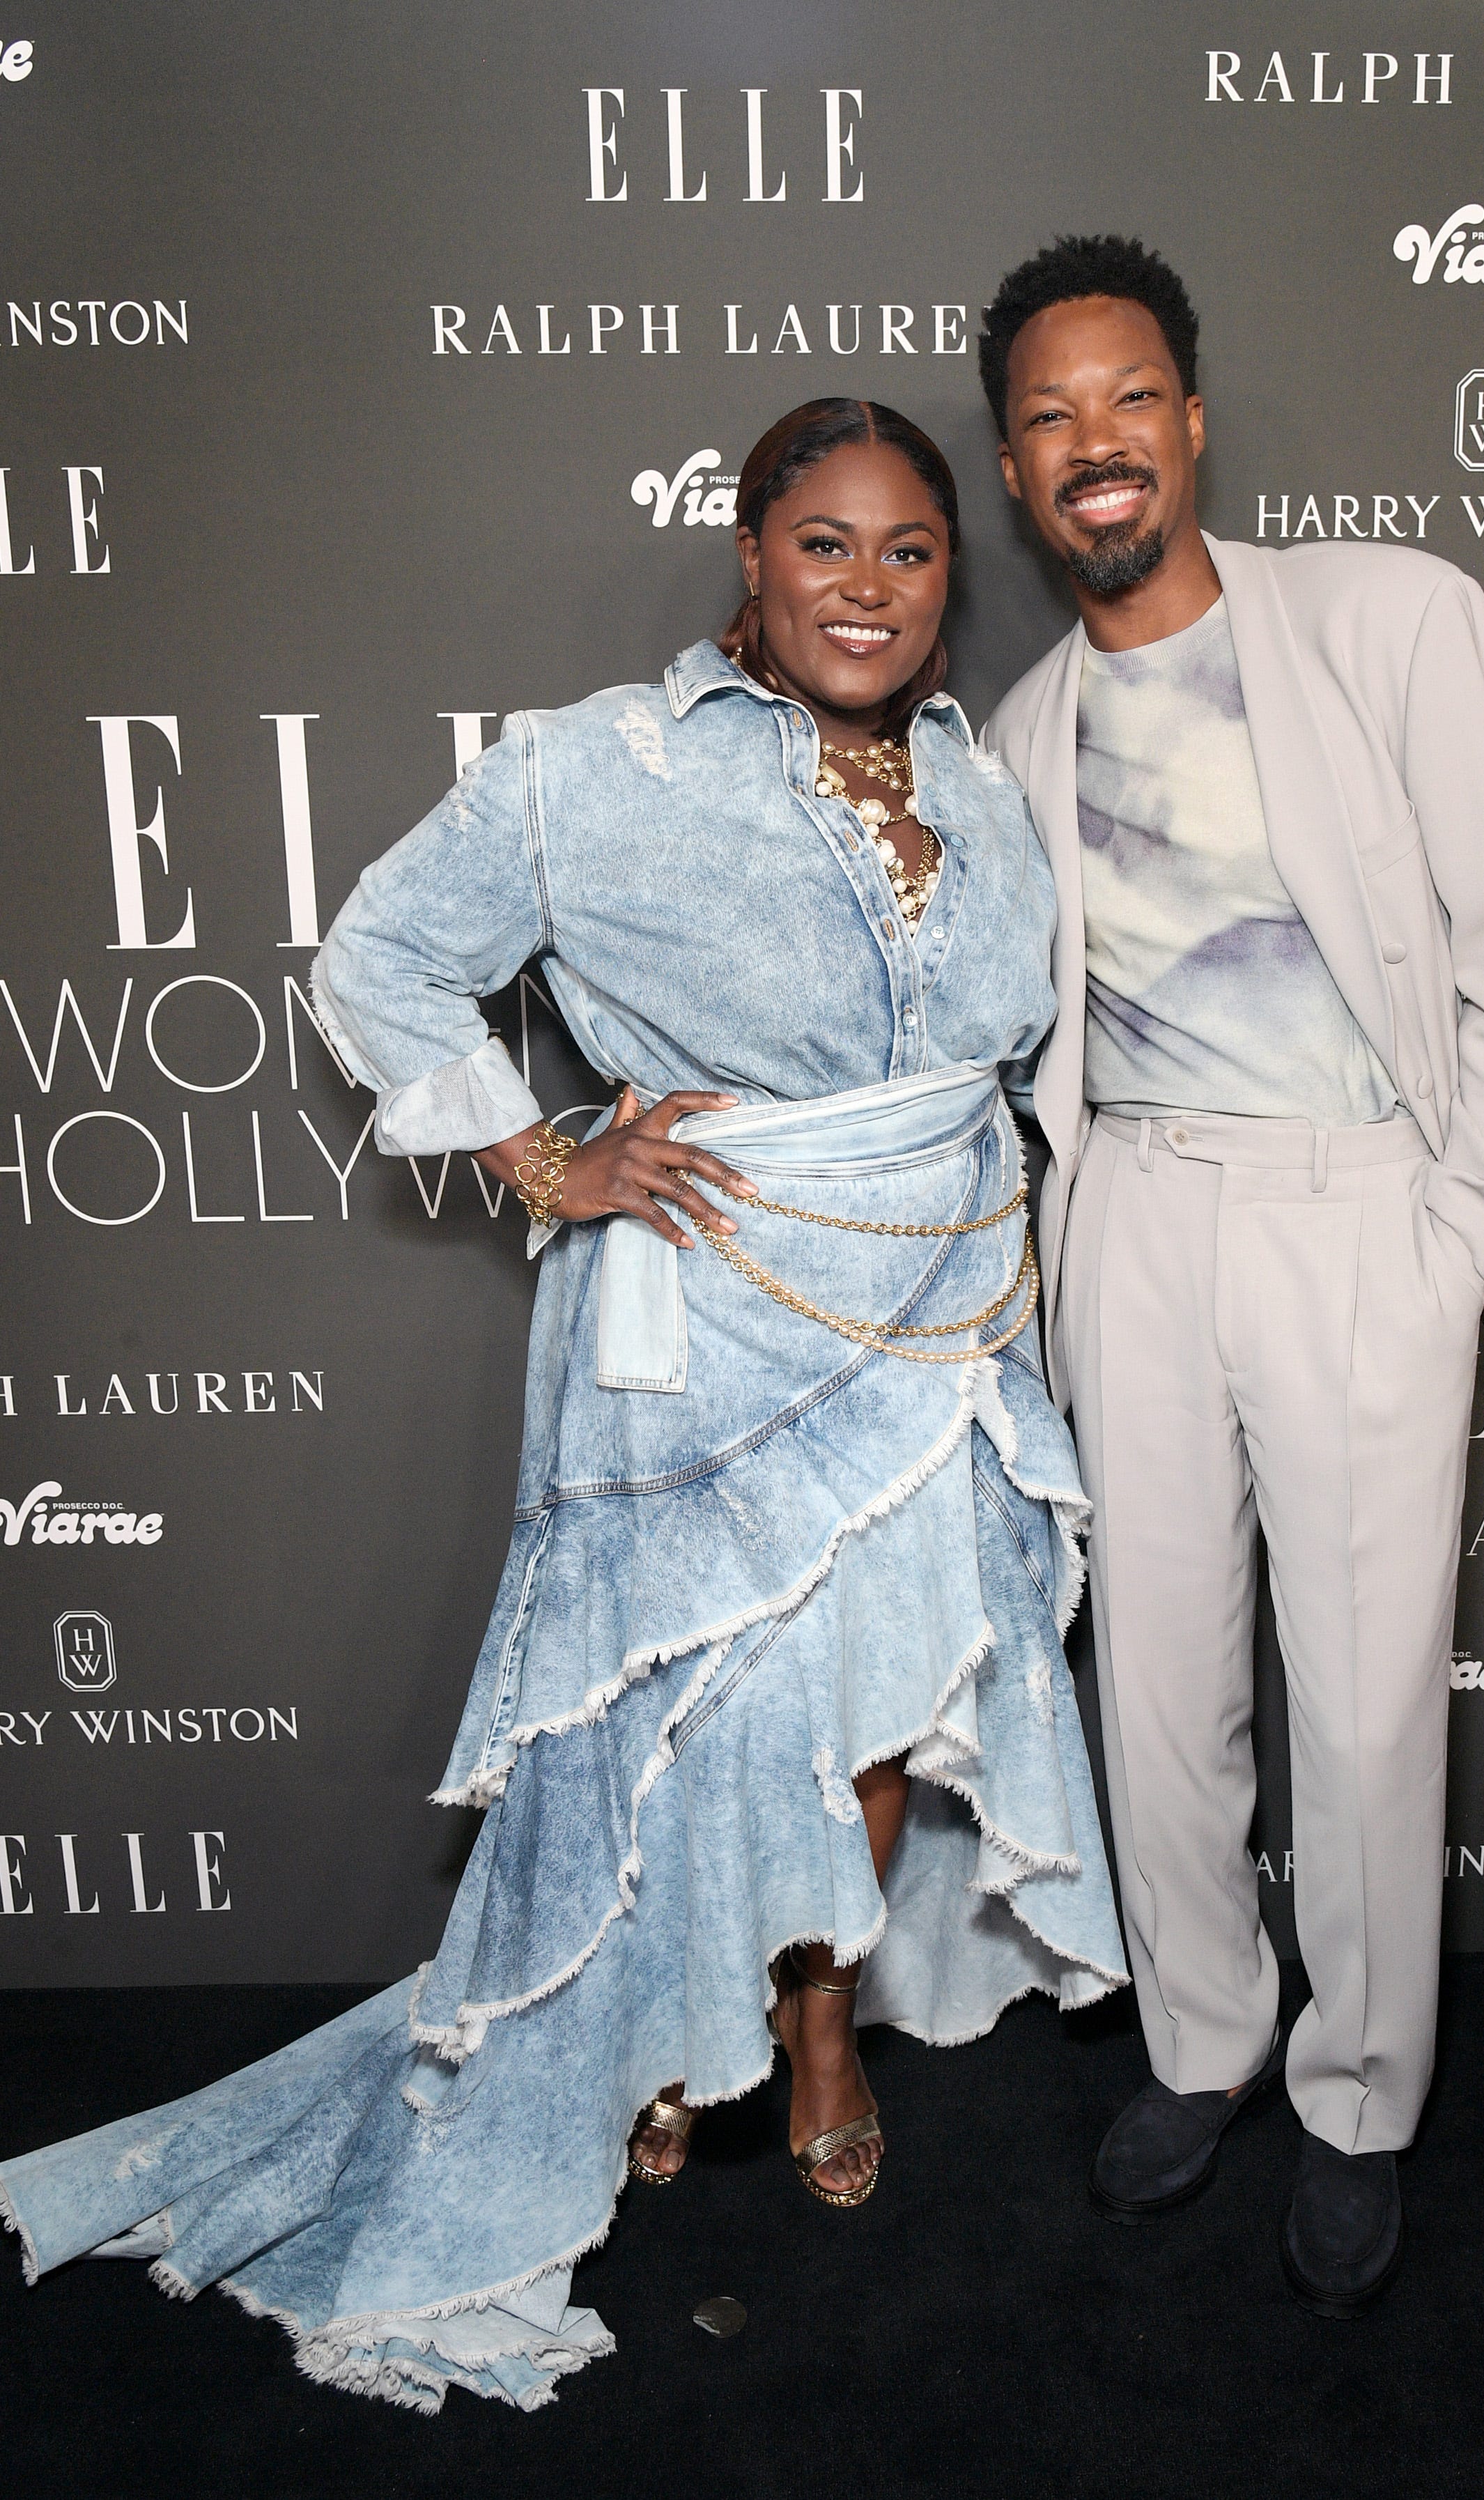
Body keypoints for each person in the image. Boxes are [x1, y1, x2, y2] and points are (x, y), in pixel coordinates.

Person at [1, 399, 1125, 2410]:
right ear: (751, 560)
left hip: (938, 1315)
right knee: (686, 1714)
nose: (867, 586)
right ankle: (651, 2033)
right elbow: (380, 958)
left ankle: (819, 2037)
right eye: (824, 544)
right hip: (712, 1321)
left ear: (951, 578)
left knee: (871, 1706)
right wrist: (544, 1158)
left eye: (909, 550)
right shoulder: (606, 764)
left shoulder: (982, 777)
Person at [978, 238, 1484, 2316]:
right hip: (1134, 1220)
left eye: (1129, 397)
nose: (1098, 443)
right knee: (1154, 1687)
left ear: (1194, 420)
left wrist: (1458, 1227)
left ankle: (1357, 2100)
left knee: (1368, 1700)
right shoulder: (1022, 727)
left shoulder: (1390, 618)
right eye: (1052, 418)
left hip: (1357, 1215)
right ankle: (1201, 2041)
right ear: (1015, 471)